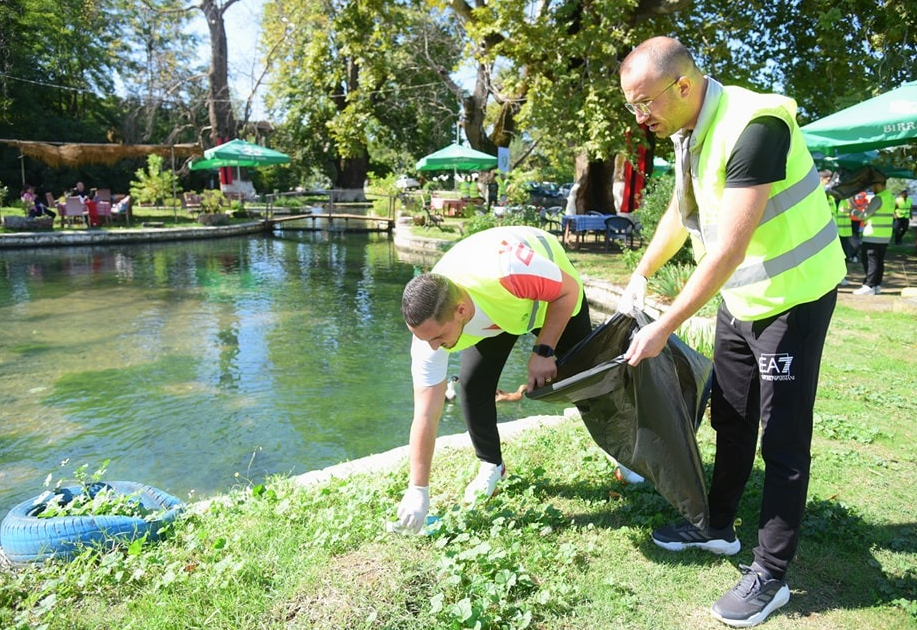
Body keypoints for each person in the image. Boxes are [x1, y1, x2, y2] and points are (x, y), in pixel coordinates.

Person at [617, 37, 845, 628]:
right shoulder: (691, 130)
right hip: (743, 298)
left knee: (783, 437)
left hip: (793, 297)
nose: (639, 116)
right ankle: (717, 527)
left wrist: (666, 325)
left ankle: (771, 575)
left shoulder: (755, 125)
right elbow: (681, 210)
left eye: (644, 103)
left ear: (683, 87)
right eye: (632, 105)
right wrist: (641, 275)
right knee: (732, 413)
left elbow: (728, 247)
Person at [396, 225, 639, 533]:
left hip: (551, 296)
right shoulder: (430, 332)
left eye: (438, 338)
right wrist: (418, 489)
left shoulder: (509, 268)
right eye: (424, 339)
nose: (431, 347)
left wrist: (543, 351)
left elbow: (568, 291)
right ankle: (491, 466)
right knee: (472, 387)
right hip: (499, 313)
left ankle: (623, 454)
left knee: (589, 381)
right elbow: (426, 415)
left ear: (460, 311)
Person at [851, 178, 894, 295]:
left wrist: (853, 211)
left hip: (873, 235)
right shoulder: (890, 197)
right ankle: (876, 285)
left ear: (879, 184)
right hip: (885, 236)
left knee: (870, 261)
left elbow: (865, 215)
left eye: (872, 185)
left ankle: (868, 285)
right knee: (879, 261)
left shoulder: (878, 198)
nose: (871, 188)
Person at [836, 196, 857, 263]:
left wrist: (848, 197)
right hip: (832, 232)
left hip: (844, 231)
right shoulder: (829, 197)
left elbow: (853, 207)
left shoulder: (846, 198)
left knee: (844, 256)